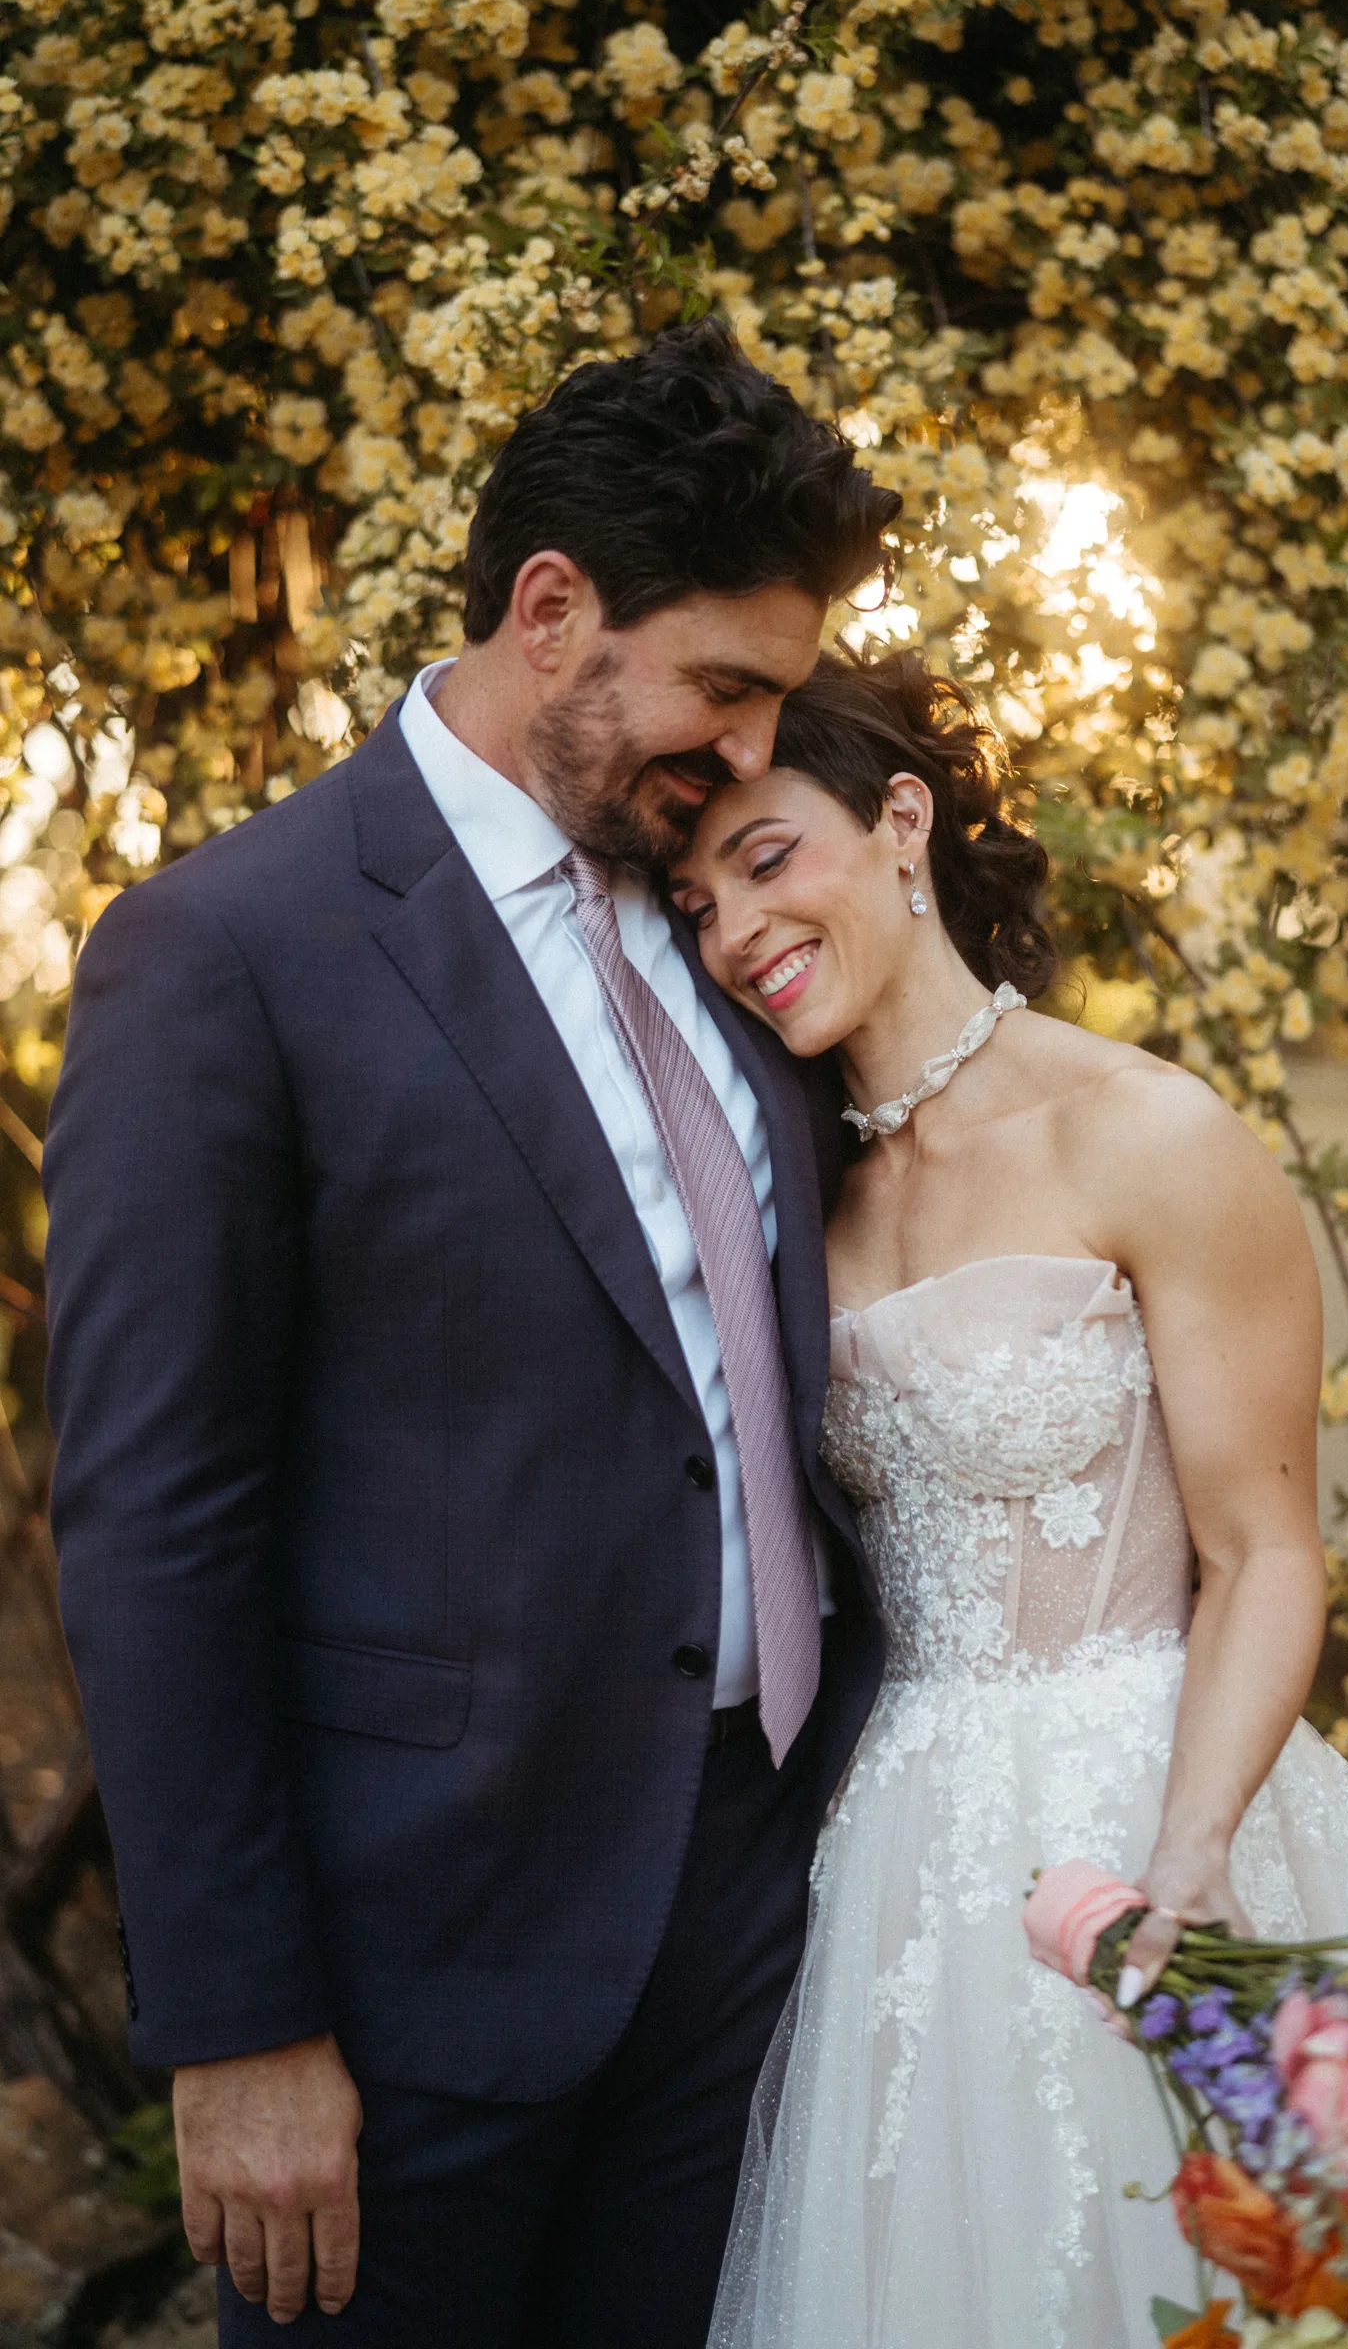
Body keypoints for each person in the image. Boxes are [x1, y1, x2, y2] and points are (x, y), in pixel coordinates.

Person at [42, 321, 899, 2346]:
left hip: (748, 1904)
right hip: (412, 1964)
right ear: (548, 614)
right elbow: (156, 1518)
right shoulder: (225, 954)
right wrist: (239, 2025)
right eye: (722, 687)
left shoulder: (729, 915)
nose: (756, 753)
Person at [668, 649, 1348, 2349]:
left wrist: (1194, 1849)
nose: (734, 930)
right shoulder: (809, 1198)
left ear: (904, 822)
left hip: (1157, 1802)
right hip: (905, 1863)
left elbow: (1267, 1551)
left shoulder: (1145, 1133)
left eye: (769, 857)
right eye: (696, 898)